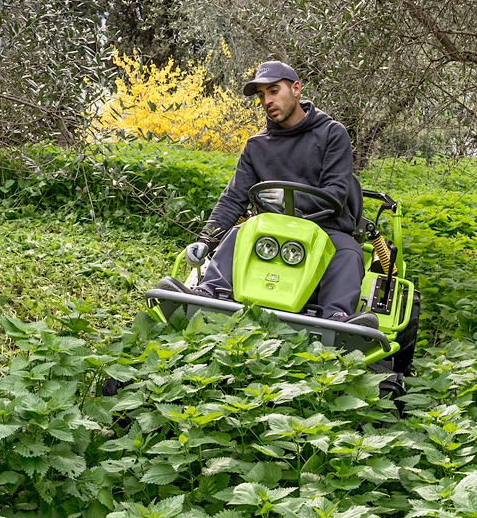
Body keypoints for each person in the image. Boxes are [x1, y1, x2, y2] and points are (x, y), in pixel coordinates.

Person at [157, 60, 376, 329]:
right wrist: (206, 240)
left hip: (326, 228)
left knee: (348, 252)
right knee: (238, 233)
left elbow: (336, 191)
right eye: (261, 95)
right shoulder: (256, 146)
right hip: (271, 229)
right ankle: (206, 295)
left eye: (274, 91)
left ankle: (337, 319)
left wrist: (289, 201)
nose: (267, 101)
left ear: (296, 89)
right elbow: (233, 197)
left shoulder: (332, 133)